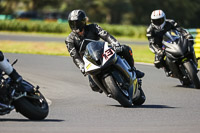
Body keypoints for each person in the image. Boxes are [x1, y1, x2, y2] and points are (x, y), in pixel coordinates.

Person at [65, 9, 144, 93]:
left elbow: (105, 35)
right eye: (72, 23)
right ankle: (109, 88)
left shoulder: (93, 27)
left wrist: (114, 43)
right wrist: (81, 66)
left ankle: (133, 69)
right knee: (94, 87)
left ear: (83, 21)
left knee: (125, 49)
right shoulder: (69, 40)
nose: (75, 25)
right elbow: (74, 56)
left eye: (77, 22)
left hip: (102, 51)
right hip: (90, 61)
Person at [146, 9, 195, 76]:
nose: (158, 22)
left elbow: (180, 30)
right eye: (155, 21)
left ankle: (193, 59)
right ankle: (168, 70)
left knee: (189, 42)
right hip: (159, 46)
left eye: (160, 20)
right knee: (158, 62)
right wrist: (158, 50)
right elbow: (152, 43)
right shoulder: (150, 30)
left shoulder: (170, 22)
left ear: (164, 18)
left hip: (172, 40)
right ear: (152, 21)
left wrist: (187, 35)